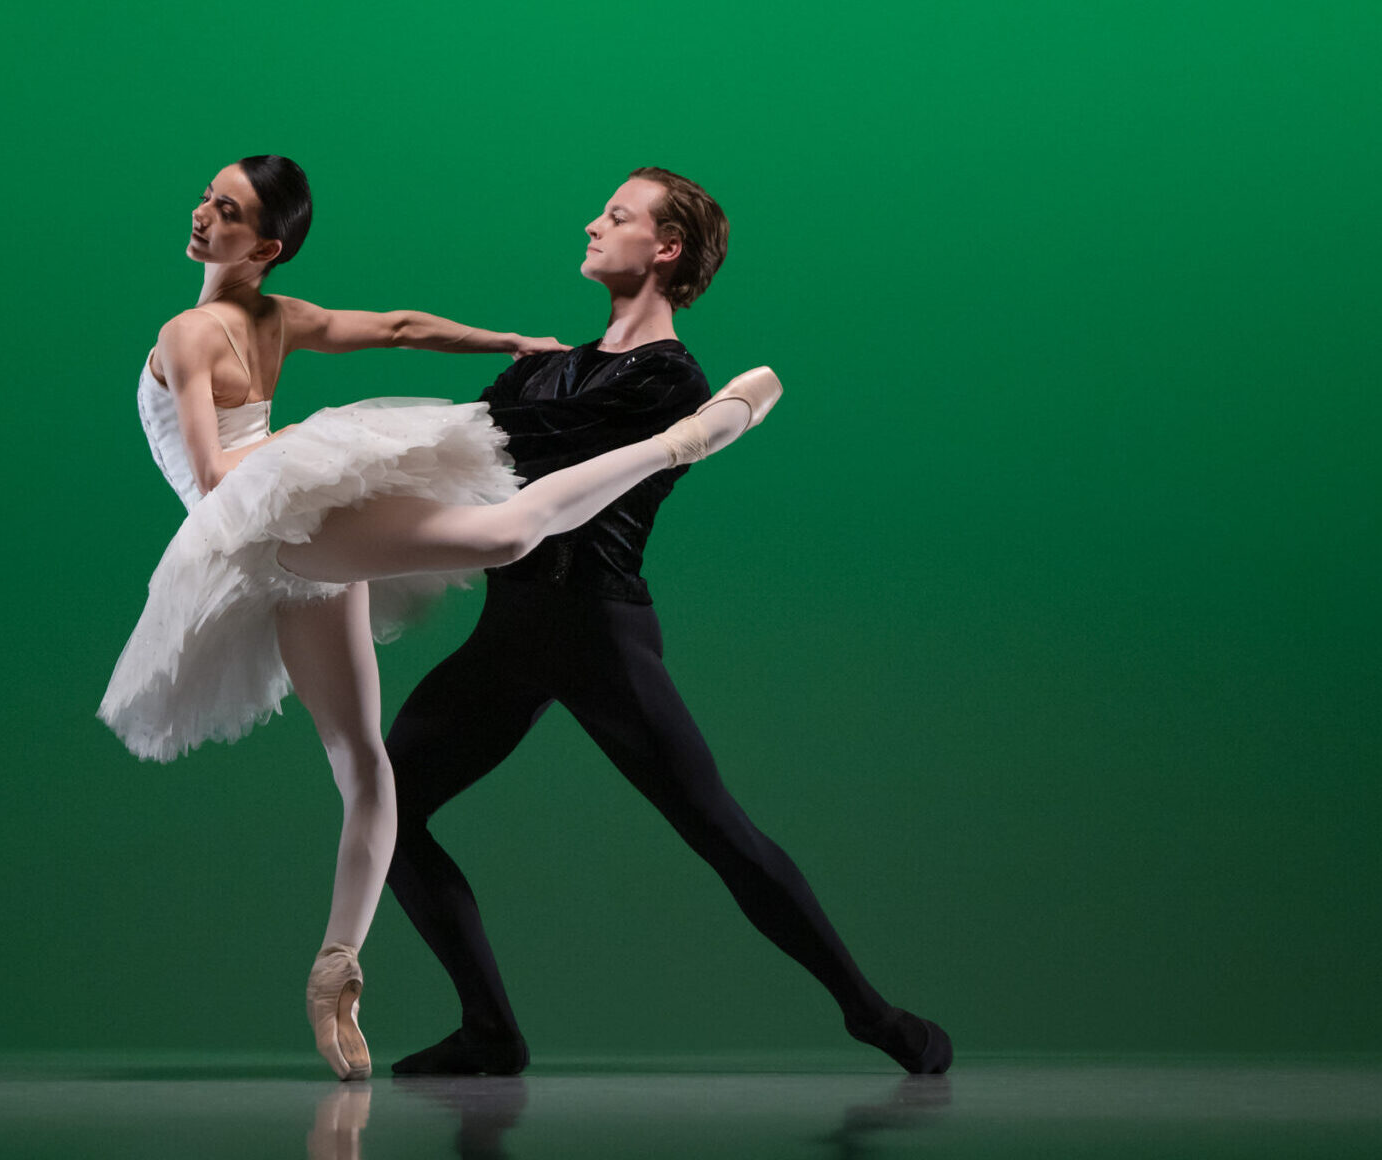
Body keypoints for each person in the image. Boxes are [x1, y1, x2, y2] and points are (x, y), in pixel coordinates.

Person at [98, 156, 781, 1081]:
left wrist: (506, 342)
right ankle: (683, 439)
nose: (202, 213)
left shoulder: (266, 318)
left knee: (368, 763)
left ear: (264, 248)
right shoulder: (191, 334)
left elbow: (403, 327)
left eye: (227, 209)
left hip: (293, 524)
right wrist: (315, 434)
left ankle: (335, 966)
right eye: (208, 198)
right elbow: (220, 481)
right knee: (501, 538)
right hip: (257, 525)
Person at [382, 167, 954, 1077]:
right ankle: (489, 1030)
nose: (591, 224)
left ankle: (874, 1015)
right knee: (385, 810)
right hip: (513, 631)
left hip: (598, 632)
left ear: (667, 248)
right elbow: (465, 461)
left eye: (615, 216)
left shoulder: (669, 379)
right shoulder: (542, 368)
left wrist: (439, 436)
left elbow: (521, 449)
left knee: (719, 831)